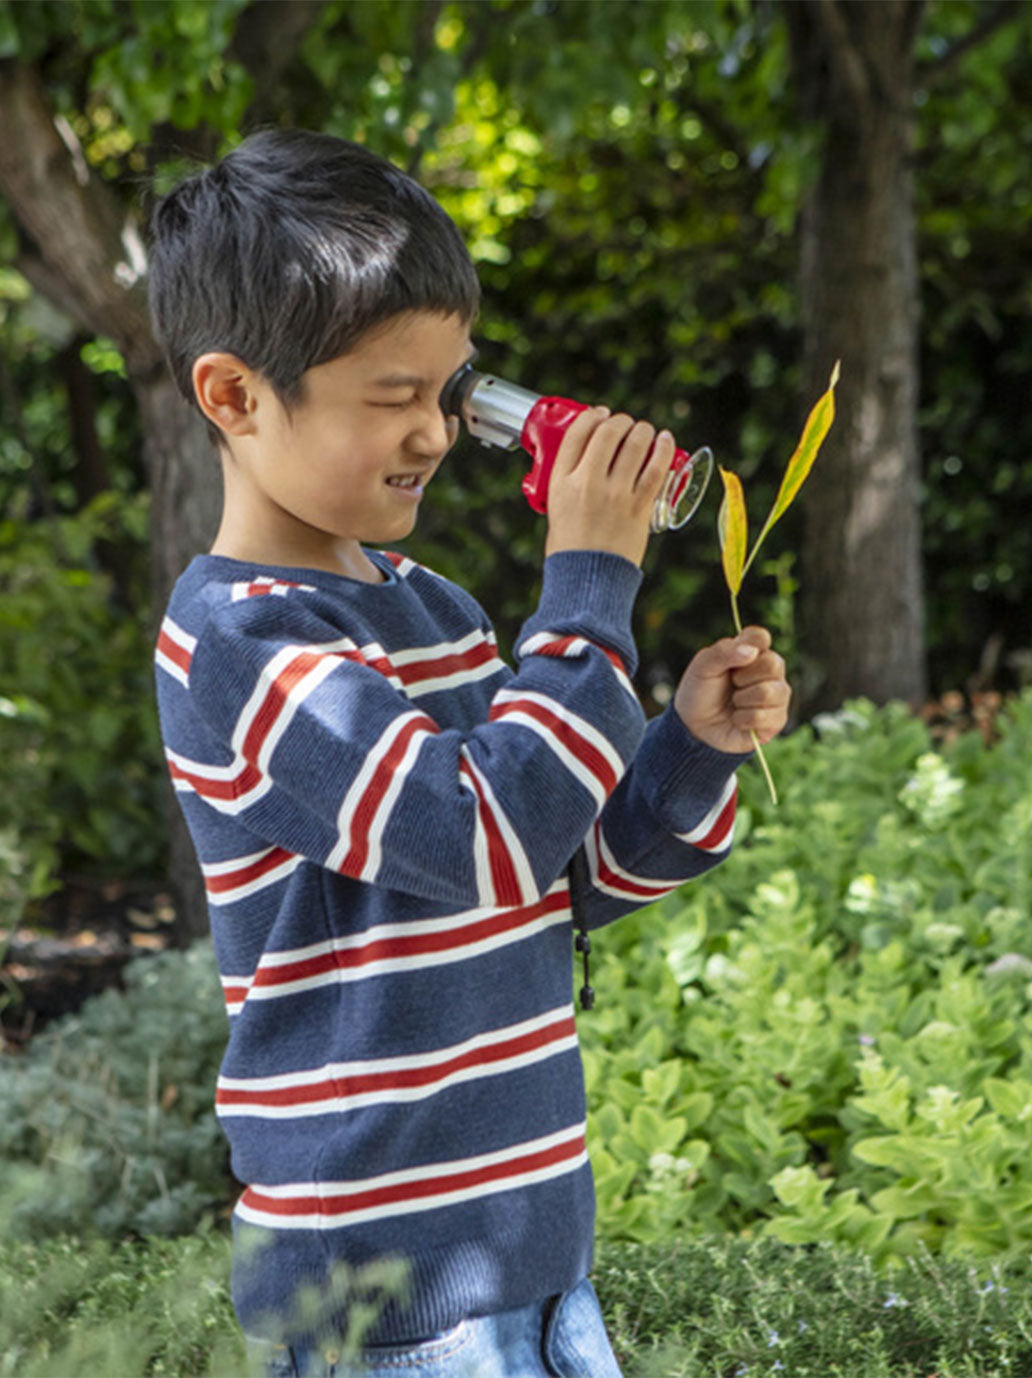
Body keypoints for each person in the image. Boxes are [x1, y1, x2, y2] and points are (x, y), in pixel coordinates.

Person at [149, 128, 791, 1378]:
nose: (439, 433)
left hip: (536, 1261)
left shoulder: (433, 608)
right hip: (387, 1302)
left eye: (450, 391)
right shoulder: (239, 643)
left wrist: (684, 752)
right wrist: (590, 582)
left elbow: (548, 868)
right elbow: (480, 830)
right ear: (233, 395)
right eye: (391, 396)